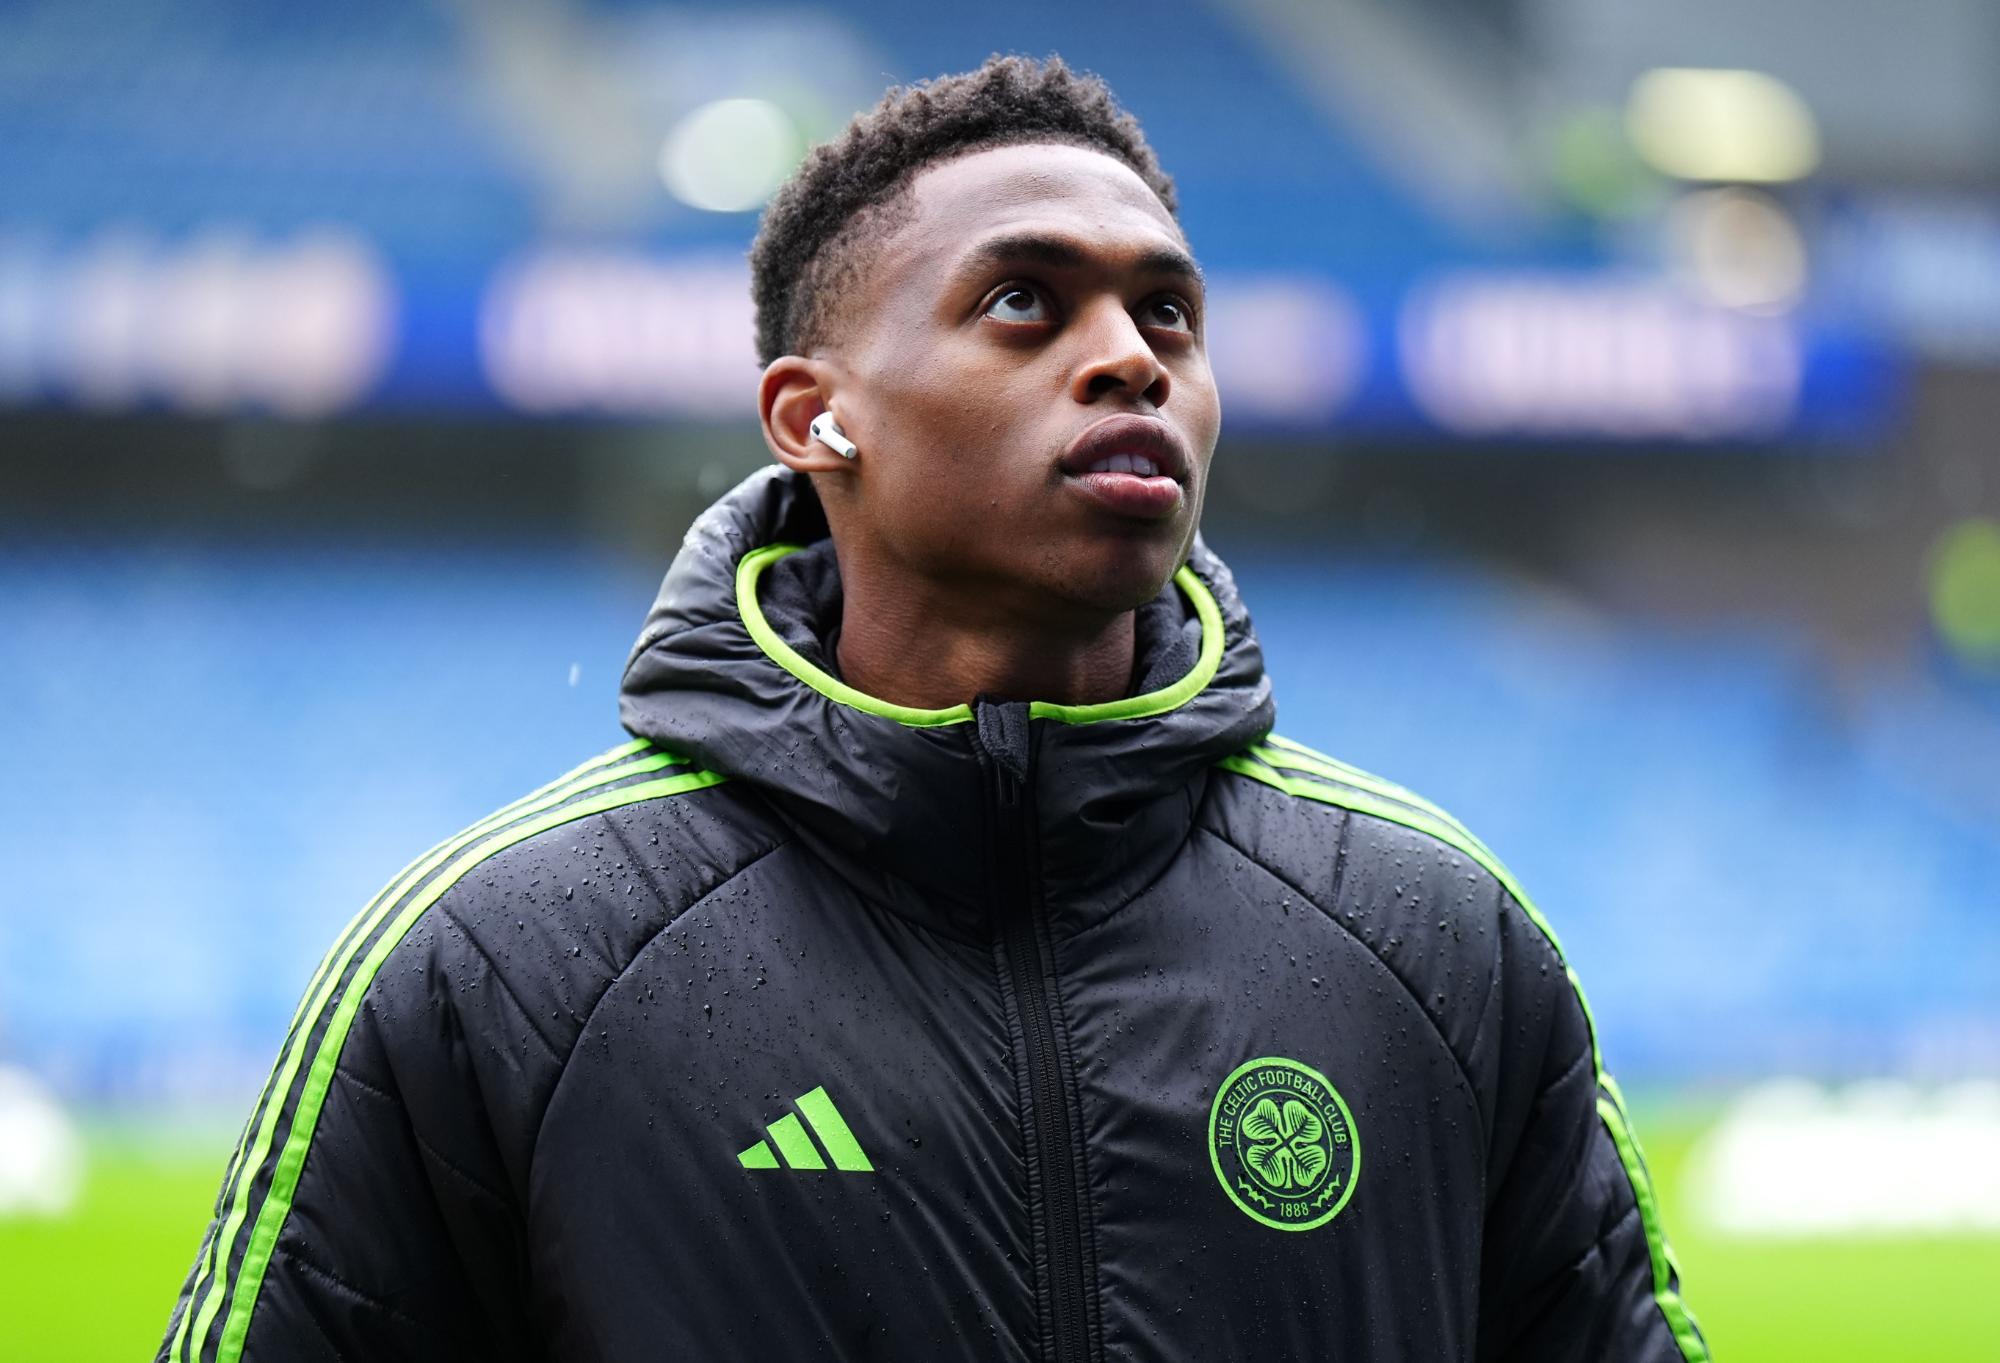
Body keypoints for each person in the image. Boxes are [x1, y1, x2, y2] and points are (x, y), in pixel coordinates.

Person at [160, 55, 1707, 1363]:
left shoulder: (1438, 938)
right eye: (1028, 302)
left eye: (1170, 316)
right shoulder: (504, 966)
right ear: (815, 417)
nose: (1132, 361)